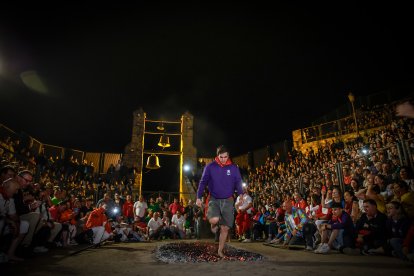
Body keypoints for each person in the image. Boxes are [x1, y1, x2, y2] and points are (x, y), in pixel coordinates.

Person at [196, 145, 244, 257]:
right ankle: (213, 225)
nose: (223, 159)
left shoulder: (233, 168)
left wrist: (241, 194)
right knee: (214, 220)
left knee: (225, 228)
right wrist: (198, 197)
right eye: (221, 157)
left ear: (228, 156)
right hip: (214, 198)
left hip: (228, 199)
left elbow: (238, 181)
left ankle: (220, 251)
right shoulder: (210, 167)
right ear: (217, 156)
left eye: (225, 157)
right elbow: (203, 182)